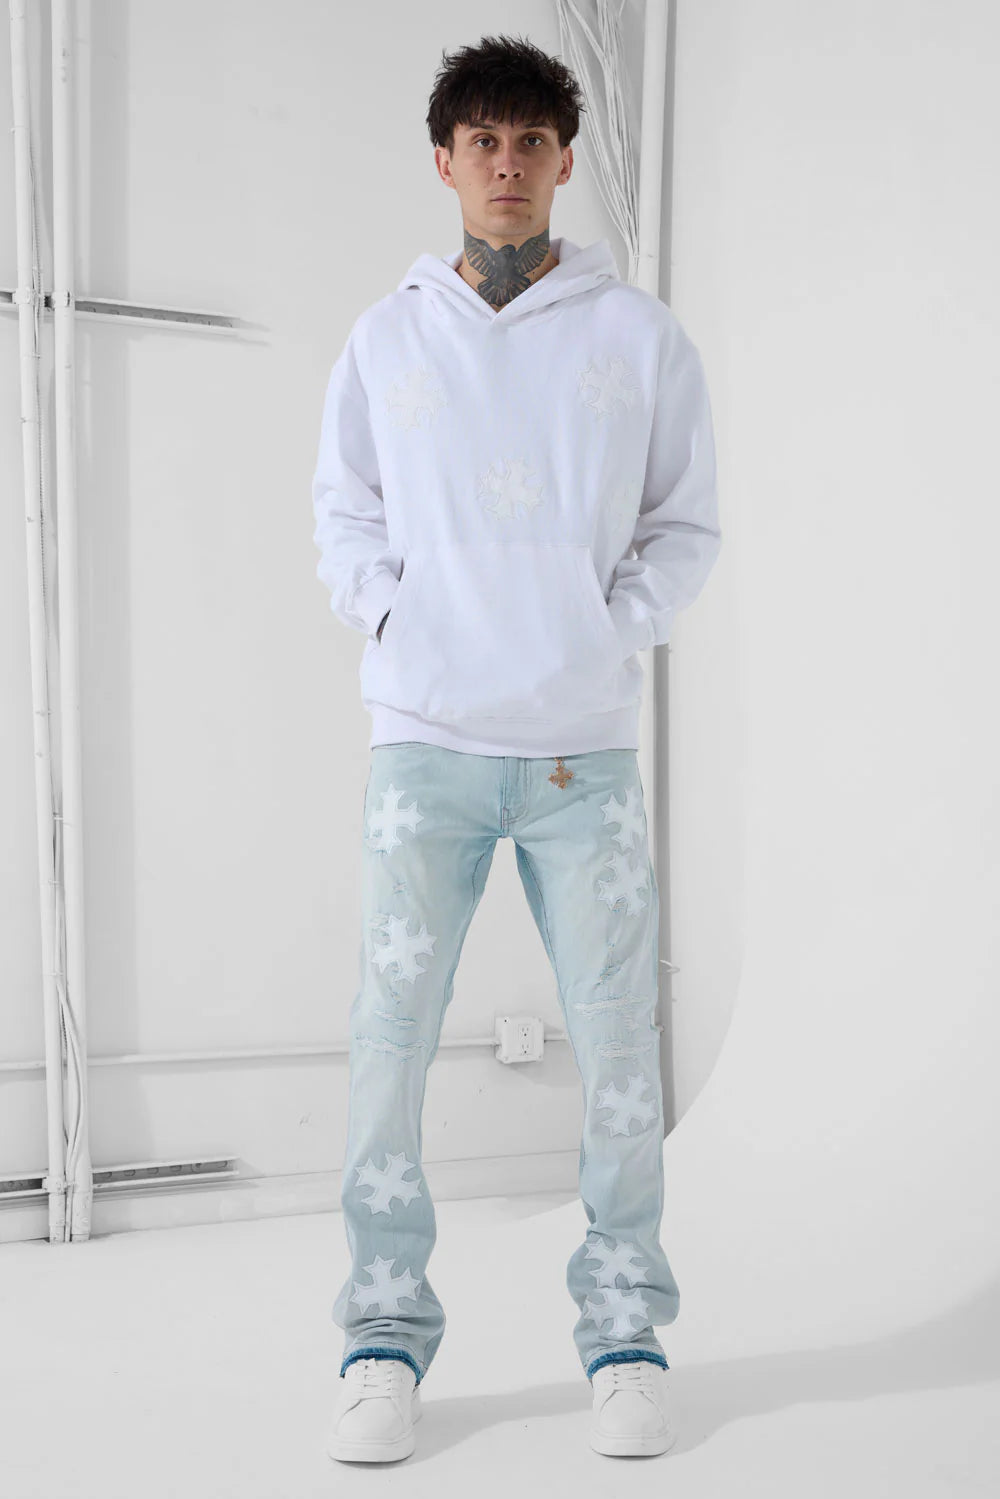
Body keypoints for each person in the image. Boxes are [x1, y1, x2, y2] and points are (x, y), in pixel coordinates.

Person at [311, 32, 721, 1463]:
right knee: (388, 1046)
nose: (506, 163)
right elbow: (342, 514)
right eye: (480, 140)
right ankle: (380, 1340)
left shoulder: (640, 339)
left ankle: (626, 1335)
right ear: (444, 162)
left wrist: (606, 632)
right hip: (423, 748)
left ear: (563, 159)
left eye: (529, 139)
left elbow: (684, 523)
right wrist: (395, 617)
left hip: (579, 759)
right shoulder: (385, 338)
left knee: (617, 1049)